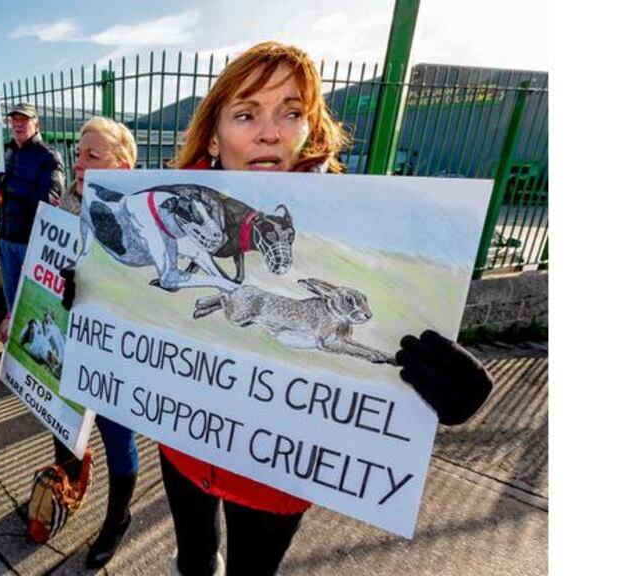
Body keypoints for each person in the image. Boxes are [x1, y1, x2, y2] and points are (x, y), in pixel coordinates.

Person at [62, 41, 494, 576]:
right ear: (214, 136)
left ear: (308, 128)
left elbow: (387, 329)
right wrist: (90, 297)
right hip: (183, 445)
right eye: (247, 114)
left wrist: (445, 385)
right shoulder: (175, 208)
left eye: (291, 112)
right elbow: (141, 298)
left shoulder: (360, 223)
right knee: (194, 559)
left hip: (277, 478)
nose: (271, 131)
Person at [48, 117, 140, 569]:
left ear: (122, 165)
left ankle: (118, 519)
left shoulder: (139, 215)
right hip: (69, 339)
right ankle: (62, 491)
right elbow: (44, 267)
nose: (78, 164)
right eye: (78, 154)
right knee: (63, 420)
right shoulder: (68, 202)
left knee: (116, 436)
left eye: (91, 156)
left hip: (115, 352)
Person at [0, 103, 65, 338]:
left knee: (32, 302)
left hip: (30, 242)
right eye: (14, 120)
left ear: (37, 123)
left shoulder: (47, 155)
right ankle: (10, 351)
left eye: (24, 119)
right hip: (4, 240)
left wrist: (9, 185)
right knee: (11, 303)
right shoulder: (4, 152)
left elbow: (50, 199)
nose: (18, 124)